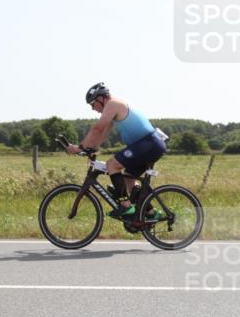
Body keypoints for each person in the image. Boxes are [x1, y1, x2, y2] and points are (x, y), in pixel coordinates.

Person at [66, 83, 167, 219]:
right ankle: (151, 213)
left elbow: (97, 128)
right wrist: (91, 149)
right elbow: (104, 133)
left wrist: (80, 147)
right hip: (149, 144)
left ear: (101, 98)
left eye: (93, 104)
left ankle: (125, 206)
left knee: (112, 165)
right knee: (128, 179)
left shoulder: (113, 104)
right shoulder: (114, 108)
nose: (93, 108)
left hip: (148, 143)